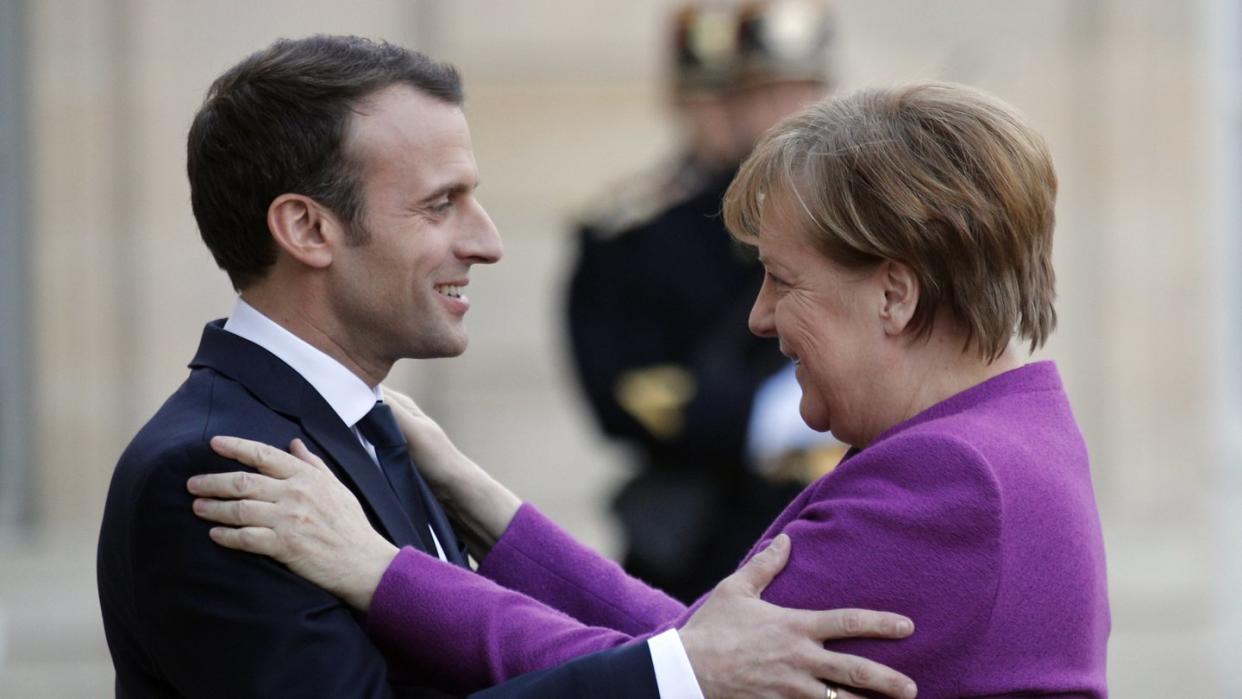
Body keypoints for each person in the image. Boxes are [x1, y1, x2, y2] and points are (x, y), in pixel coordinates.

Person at [189, 81, 1112, 697]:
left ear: (895, 292)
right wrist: (488, 509)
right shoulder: (1003, 440)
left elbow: (681, 678)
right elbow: (708, 649)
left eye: (783, 281)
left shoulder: (951, 481)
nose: (759, 317)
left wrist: (377, 569)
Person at [96, 34, 916, 699]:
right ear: (308, 230)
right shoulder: (222, 471)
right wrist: (677, 673)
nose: (485, 241)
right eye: (438, 203)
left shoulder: (378, 434)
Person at [567, 0, 839, 602]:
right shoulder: (636, 233)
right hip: (710, 537)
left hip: (832, 514)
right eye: (766, 93)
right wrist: (772, 413)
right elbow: (627, 390)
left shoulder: (846, 214)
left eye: (806, 89)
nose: (789, 111)